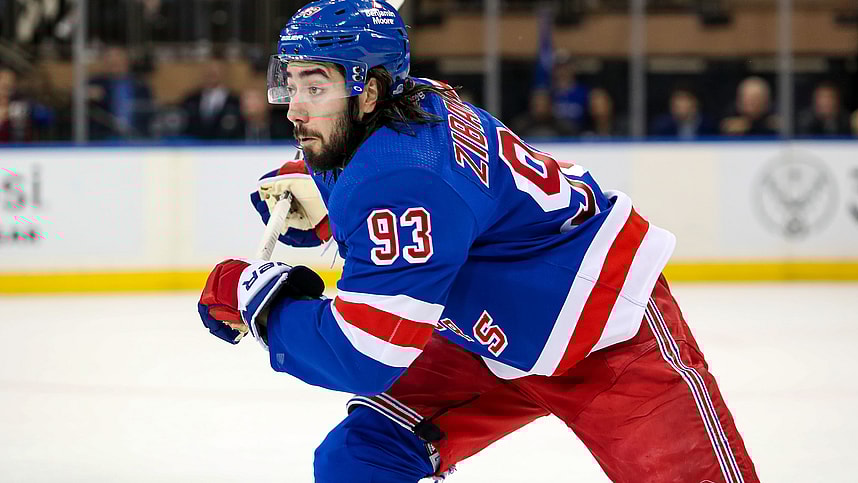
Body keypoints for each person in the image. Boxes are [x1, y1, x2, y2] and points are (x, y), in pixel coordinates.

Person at [196, 1, 759, 482]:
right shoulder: (408, 102)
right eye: (291, 84)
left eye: (316, 87)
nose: (294, 109)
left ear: (369, 93)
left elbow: (367, 354)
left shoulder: (404, 175)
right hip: (488, 339)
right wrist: (324, 198)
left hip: (603, 331)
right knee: (358, 462)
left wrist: (257, 300)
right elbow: (422, 201)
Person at [87, 46, 153, 140]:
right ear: (104, 62)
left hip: (137, 139)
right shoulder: (95, 83)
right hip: (104, 140)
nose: (114, 61)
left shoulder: (140, 85)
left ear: (127, 61)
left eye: (118, 58)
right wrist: (87, 95)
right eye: (110, 59)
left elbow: (148, 111)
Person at [180, 58, 243, 140]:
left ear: (224, 72)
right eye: (209, 69)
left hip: (226, 148)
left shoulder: (235, 101)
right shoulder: (191, 100)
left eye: (217, 70)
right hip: (195, 149)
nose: (212, 73)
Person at [651, 86, 717, 139]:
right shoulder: (662, 126)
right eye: (676, 101)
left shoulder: (709, 125)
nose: (679, 104)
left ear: (695, 102)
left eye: (684, 99)